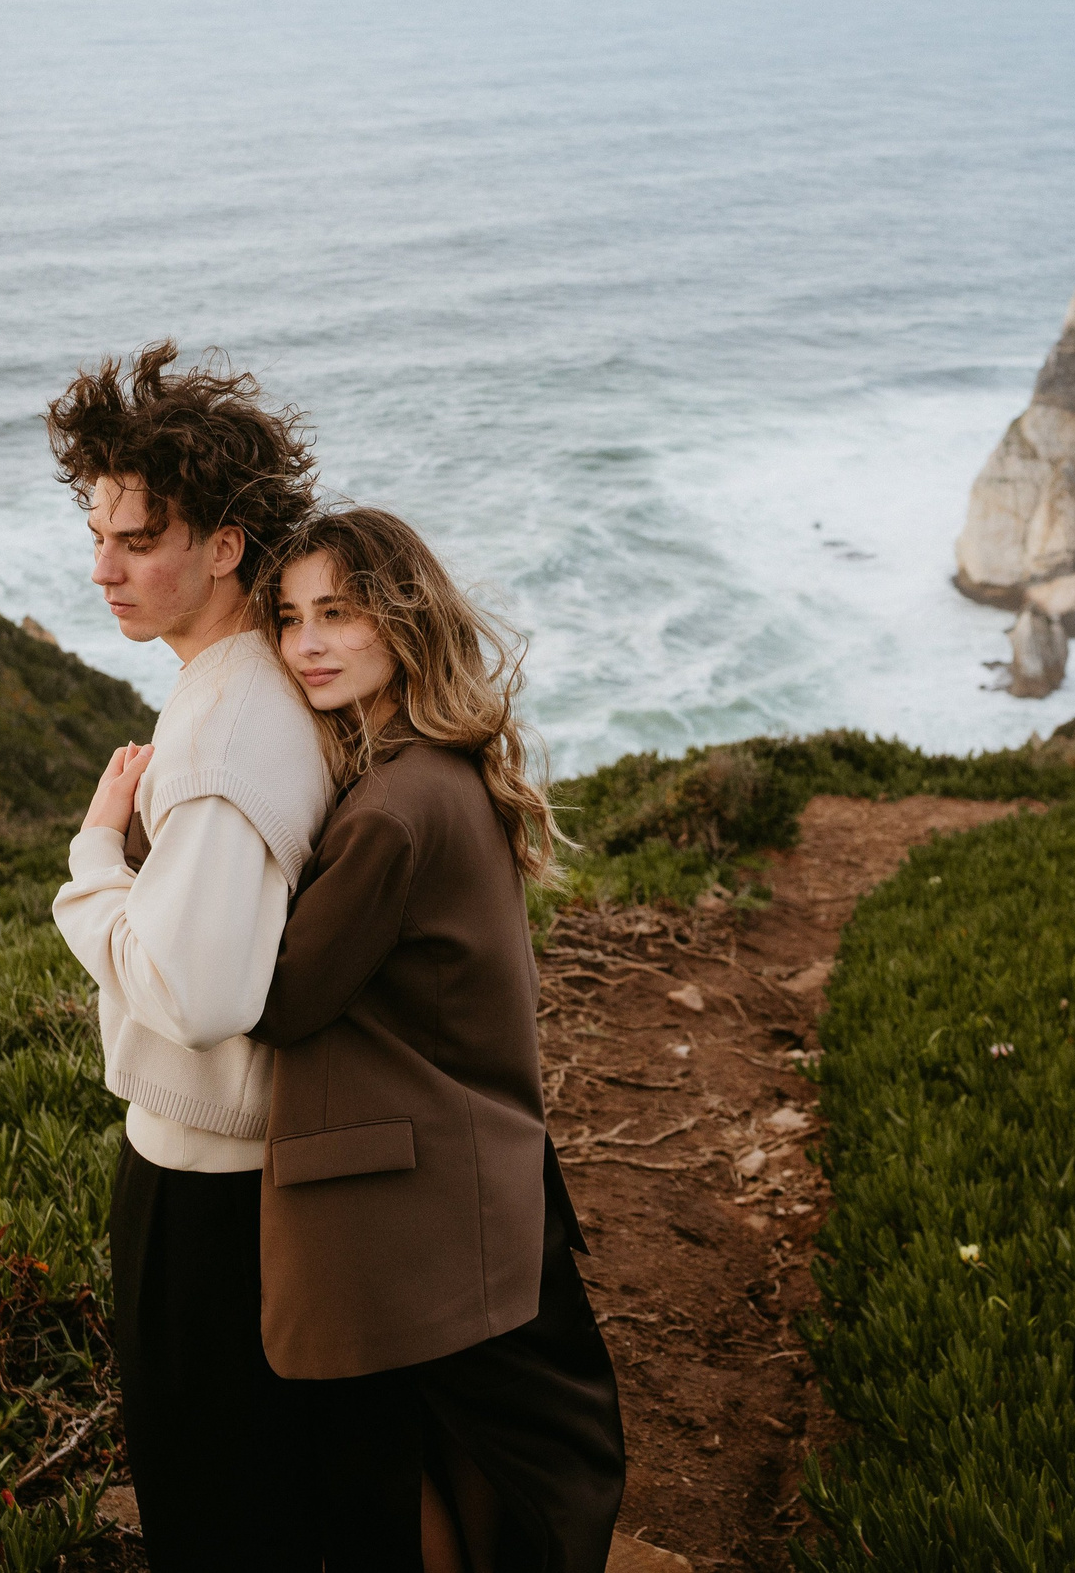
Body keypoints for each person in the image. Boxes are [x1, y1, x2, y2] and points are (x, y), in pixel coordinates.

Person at [259, 507, 625, 1572]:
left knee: (398, 1476)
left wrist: (142, 844)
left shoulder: (392, 808)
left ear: (403, 621)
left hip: (409, 1214)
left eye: (338, 613)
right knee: (473, 1466)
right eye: (289, 619)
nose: (308, 642)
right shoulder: (437, 765)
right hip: (479, 1180)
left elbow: (282, 996)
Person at [45, 342, 334, 1572]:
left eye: (140, 535)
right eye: (97, 530)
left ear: (225, 542)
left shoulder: (225, 730)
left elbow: (201, 993)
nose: (104, 567)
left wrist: (94, 860)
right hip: (243, 1171)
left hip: (211, 1190)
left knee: (217, 1511)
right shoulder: (242, 681)